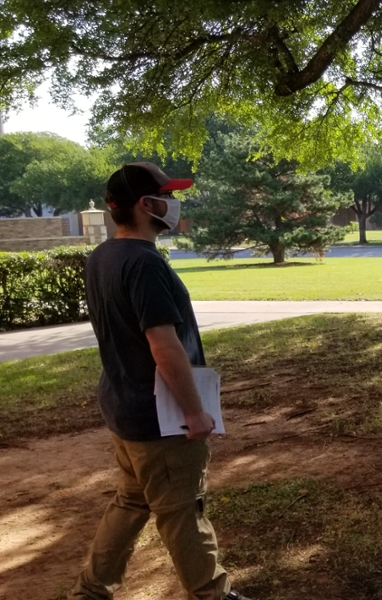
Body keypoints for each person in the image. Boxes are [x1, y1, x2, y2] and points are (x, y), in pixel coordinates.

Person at [70, 163, 251, 600]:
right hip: (161, 419)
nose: (174, 202)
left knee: (132, 500)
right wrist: (193, 411)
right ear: (146, 204)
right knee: (181, 511)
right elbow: (163, 346)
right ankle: (212, 593)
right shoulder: (144, 263)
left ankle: (91, 591)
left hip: (124, 410)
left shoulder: (103, 256)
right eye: (167, 195)